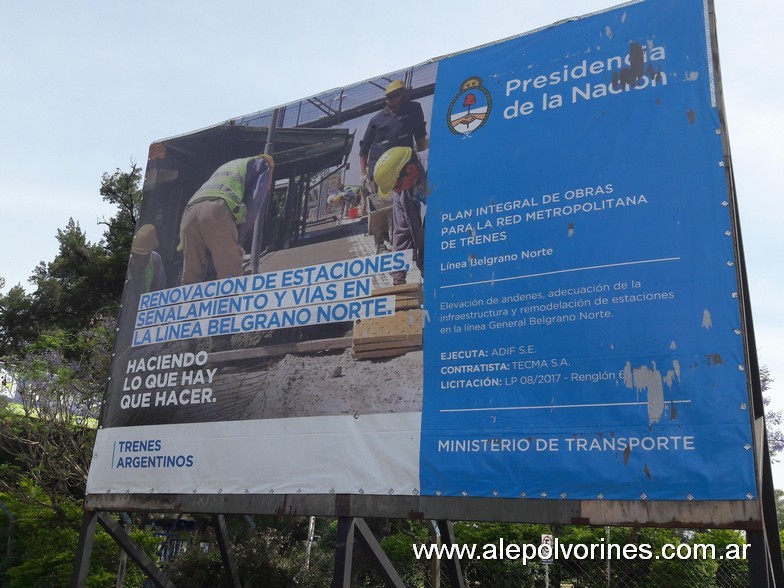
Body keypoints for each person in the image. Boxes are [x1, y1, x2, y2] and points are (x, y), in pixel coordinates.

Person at [178, 154, 274, 284]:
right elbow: (253, 204)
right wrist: (238, 239)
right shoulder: (263, 167)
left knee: (191, 274)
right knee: (229, 273)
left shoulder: (232, 165)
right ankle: (229, 302)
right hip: (216, 210)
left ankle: (187, 303)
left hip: (189, 213)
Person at [359, 80, 428, 191]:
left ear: (403, 94)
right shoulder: (375, 121)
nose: (394, 99)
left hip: (404, 165)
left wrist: (421, 156)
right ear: (386, 99)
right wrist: (363, 174)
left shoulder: (413, 109)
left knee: (413, 191)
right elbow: (364, 148)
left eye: (397, 95)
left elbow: (420, 133)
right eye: (390, 97)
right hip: (380, 168)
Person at [373, 146, 426, 285]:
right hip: (431, 265)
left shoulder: (441, 165)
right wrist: (398, 279)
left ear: (410, 171)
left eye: (396, 186)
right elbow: (401, 235)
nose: (396, 192)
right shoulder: (401, 194)